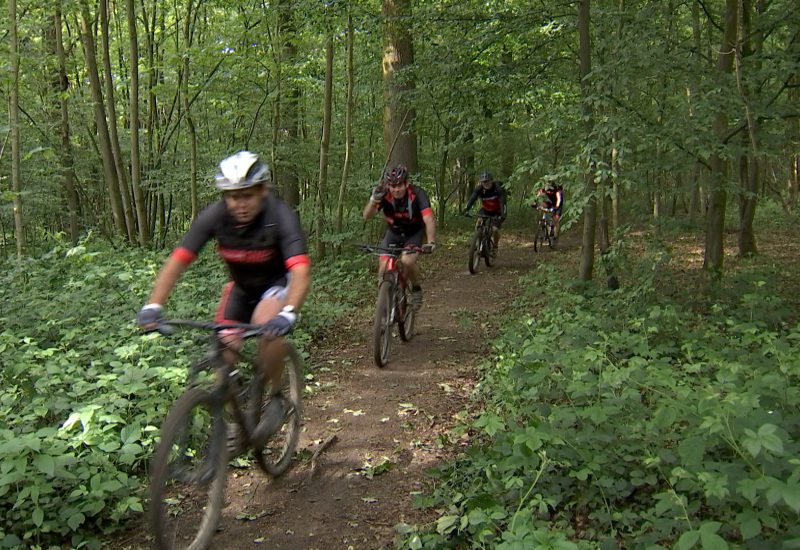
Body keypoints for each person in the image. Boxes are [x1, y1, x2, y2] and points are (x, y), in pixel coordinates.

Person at [137, 150, 311, 448]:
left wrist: (289, 312)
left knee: (265, 326)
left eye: (247, 195)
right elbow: (177, 261)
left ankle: (277, 397)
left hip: (275, 285)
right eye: (232, 196)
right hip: (240, 290)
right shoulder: (214, 217)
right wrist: (153, 305)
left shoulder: (279, 215)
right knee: (222, 353)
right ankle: (237, 422)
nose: (239, 203)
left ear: (262, 191)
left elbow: (300, 270)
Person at [363, 165, 436, 310]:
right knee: (383, 267)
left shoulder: (418, 194)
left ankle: (416, 289)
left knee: (407, 261)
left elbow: (429, 219)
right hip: (393, 233)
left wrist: (431, 242)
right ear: (388, 186)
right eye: (393, 186)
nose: (396, 190)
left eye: (400, 185)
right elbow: (367, 216)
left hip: (413, 233)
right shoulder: (384, 194)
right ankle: (385, 302)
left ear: (406, 183)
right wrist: (373, 200)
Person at [462, 171, 507, 255]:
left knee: (495, 229)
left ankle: (495, 247)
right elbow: (472, 199)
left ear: (491, 180)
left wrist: (503, 214)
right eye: (483, 182)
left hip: (497, 211)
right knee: (479, 221)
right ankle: (476, 240)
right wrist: (466, 209)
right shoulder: (479, 189)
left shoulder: (497, 188)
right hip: (486, 209)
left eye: (487, 181)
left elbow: (502, 201)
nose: (485, 183)